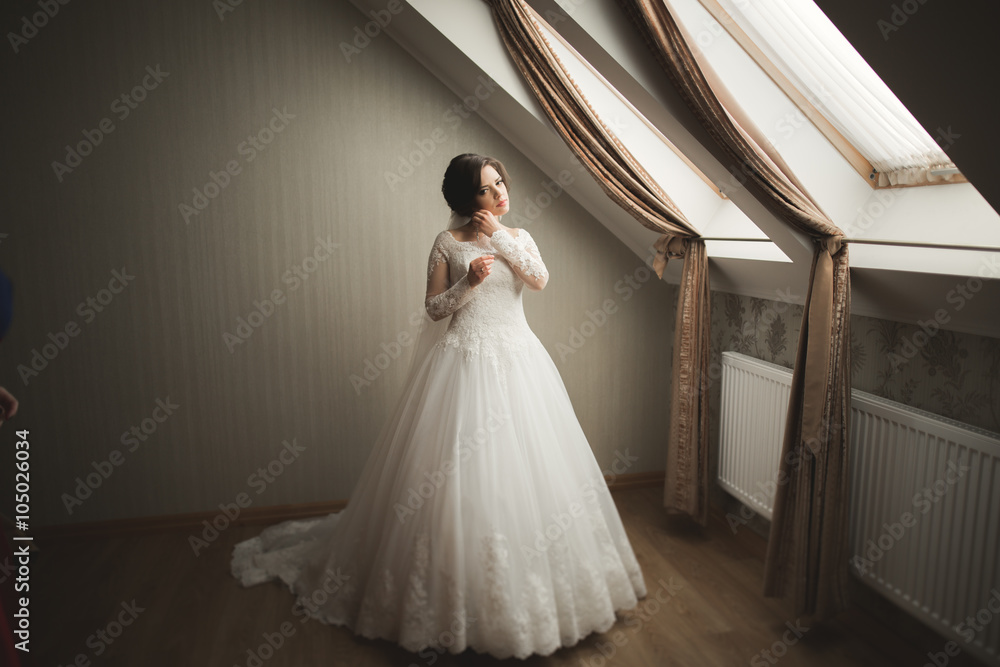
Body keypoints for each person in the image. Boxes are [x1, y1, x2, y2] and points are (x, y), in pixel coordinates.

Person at [231, 153, 647, 660]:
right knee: (451, 481)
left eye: (499, 184)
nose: (497, 195)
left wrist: (500, 237)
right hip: (462, 365)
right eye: (483, 190)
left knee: (528, 476)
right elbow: (432, 310)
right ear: (462, 200)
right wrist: (467, 282)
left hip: (519, 363)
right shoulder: (446, 243)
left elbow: (537, 280)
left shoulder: (519, 236)